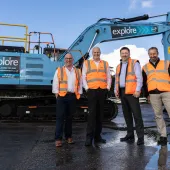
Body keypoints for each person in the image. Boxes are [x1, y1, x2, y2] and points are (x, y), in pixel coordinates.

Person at [114, 47, 144, 145]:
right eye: (122, 53)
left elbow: (139, 78)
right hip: (122, 92)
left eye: (126, 53)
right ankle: (130, 134)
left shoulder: (135, 63)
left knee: (137, 115)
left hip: (132, 93)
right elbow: (117, 80)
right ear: (120, 54)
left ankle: (140, 137)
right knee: (127, 115)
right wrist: (116, 90)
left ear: (129, 54)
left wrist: (138, 90)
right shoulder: (118, 66)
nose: (124, 55)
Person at [82, 47, 112, 146]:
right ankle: (89, 138)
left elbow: (108, 76)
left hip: (102, 91)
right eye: (94, 52)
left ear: (100, 53)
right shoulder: (87, 63)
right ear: (92, 53)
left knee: (100, 115)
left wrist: (107, 88)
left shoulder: (105, 63)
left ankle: (97, 137)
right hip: (92, 91)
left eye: (98, 52)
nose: (96, 54)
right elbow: (83, 77)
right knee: (91, 115)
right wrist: (87, 88)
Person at [52, 53, 82, 147]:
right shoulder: (59, 70)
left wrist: (79, 93)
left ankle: (69, 137)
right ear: (64, 60)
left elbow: (80, 83)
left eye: (70, 58)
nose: (68, 60)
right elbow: (55, 83)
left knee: (69, 118)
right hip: (62, 96)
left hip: (72, 96)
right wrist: (57, 94)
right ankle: (58, 139)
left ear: (73, 60)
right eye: (66, 58)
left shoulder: (77, 71)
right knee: (60, 118)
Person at [142, 47, 170, 146]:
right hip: (153, 94)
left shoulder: (166, 63)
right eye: (151, 54)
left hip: (167, 92)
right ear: (148, 55)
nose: (153, 55)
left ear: (157, 53)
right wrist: (147, 95)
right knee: (158, 115)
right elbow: (144, 83)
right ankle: (163, 135)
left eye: (154, 53)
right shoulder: (144, 67)